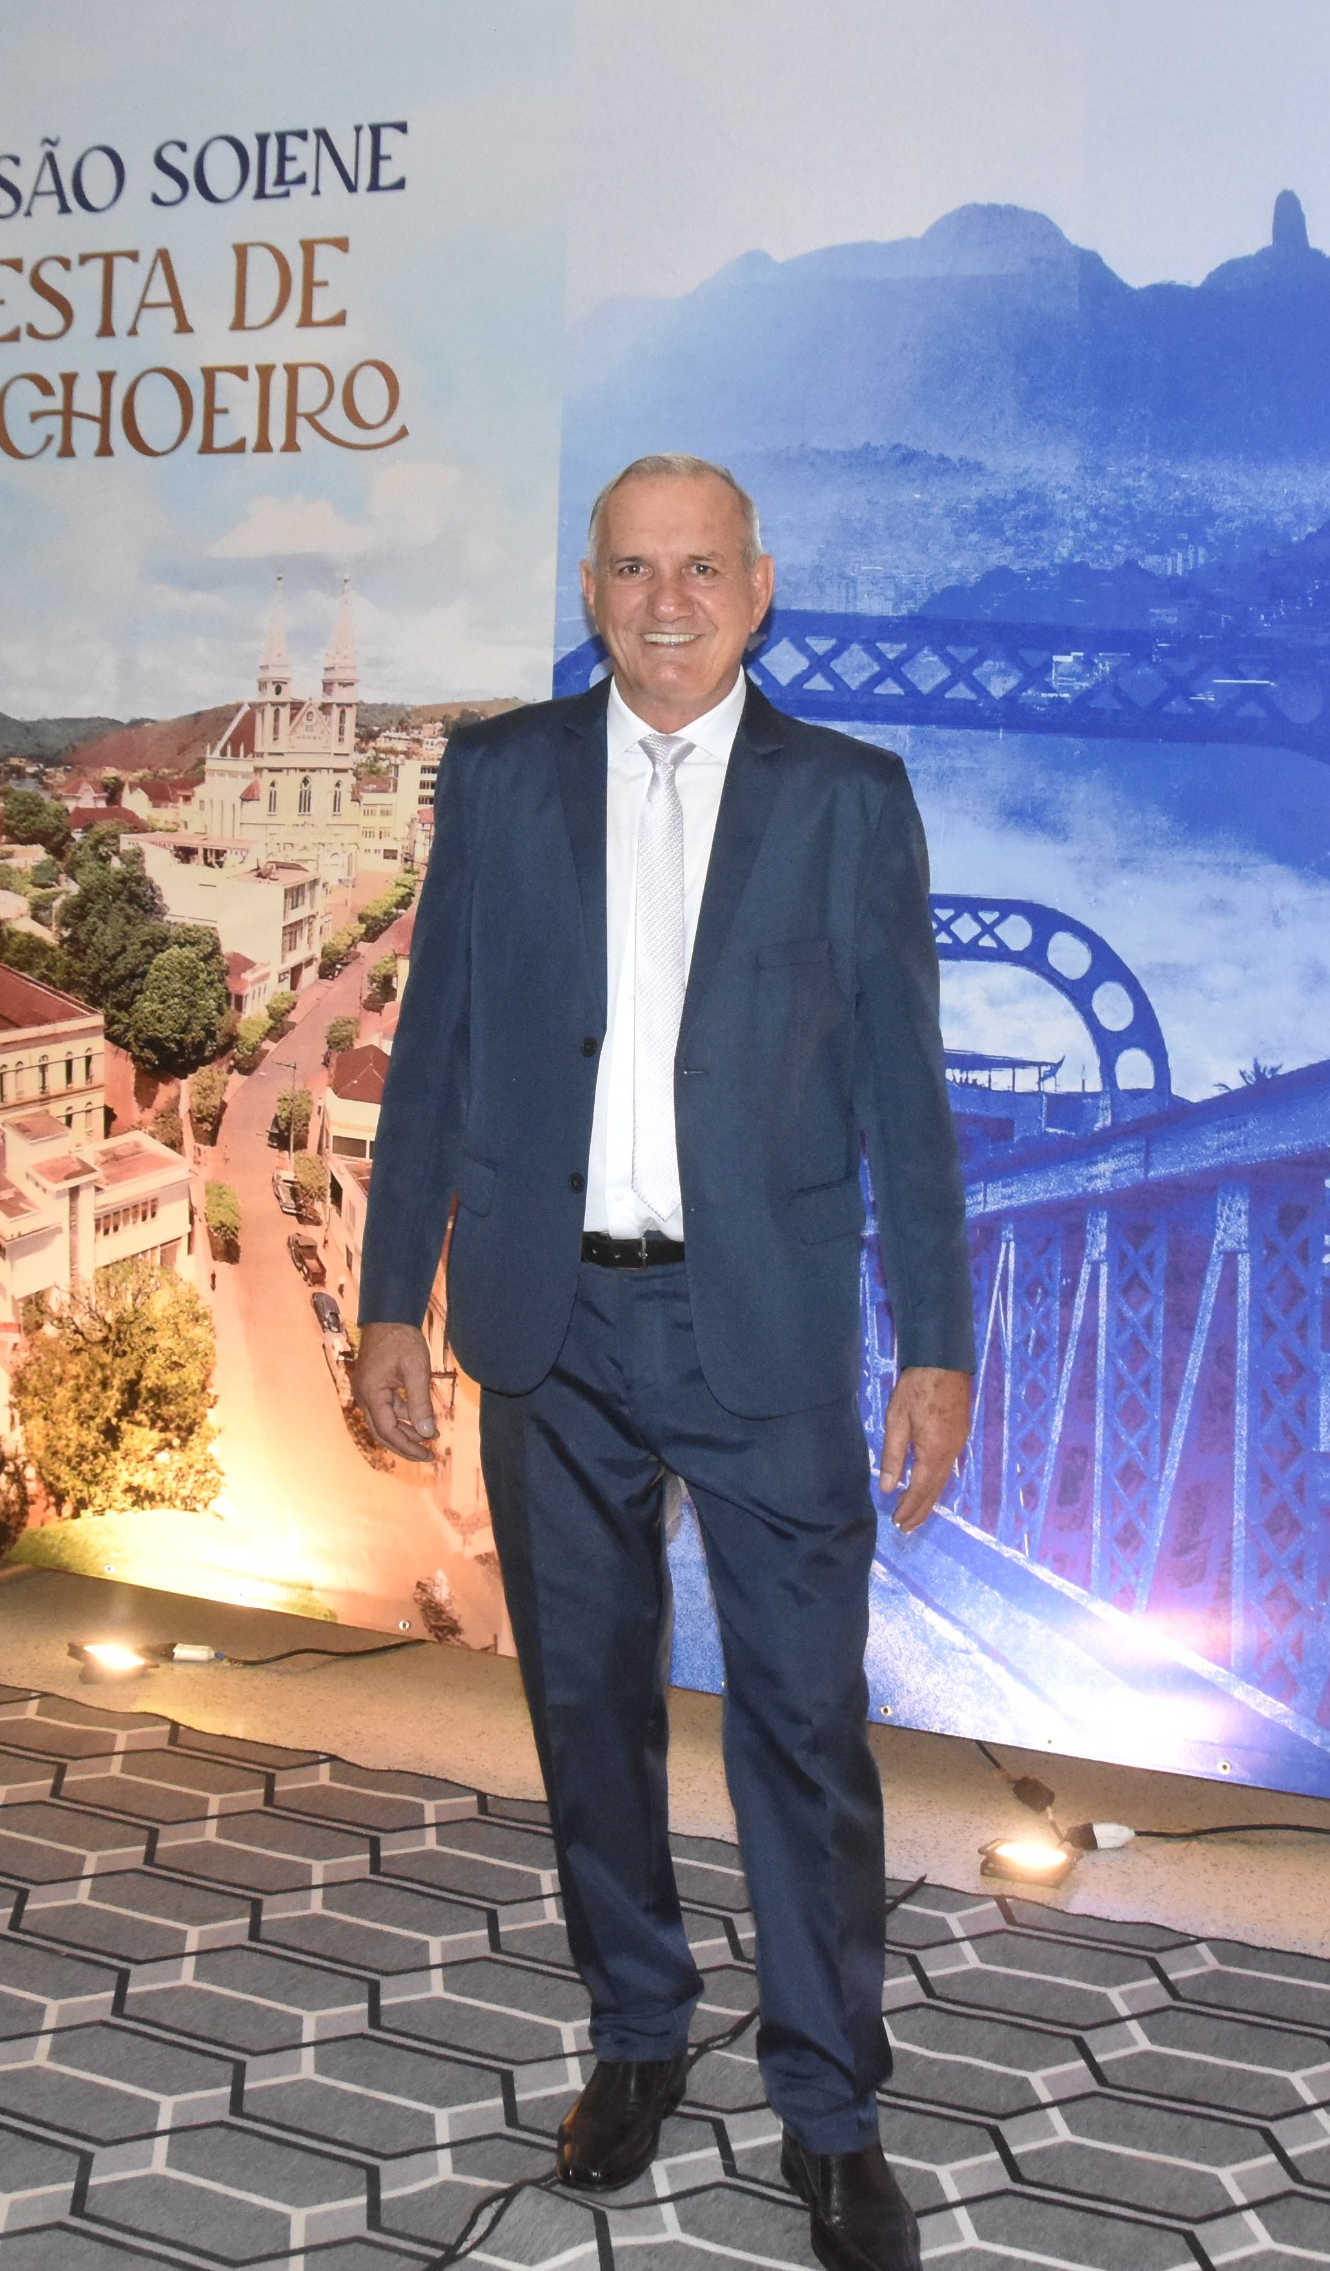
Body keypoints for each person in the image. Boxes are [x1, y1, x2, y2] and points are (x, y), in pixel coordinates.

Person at [351, 453, 973, 2271]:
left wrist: (938, 1341)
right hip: (549, 1324)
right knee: (585, 1711)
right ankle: (636, 2028)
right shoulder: (499, 777)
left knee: (803, 1730)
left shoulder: (849, 799)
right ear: (592, 588)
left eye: (702, 568)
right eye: (634, 569)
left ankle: (831, 2115)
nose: (668, 602)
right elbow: (435, 1048)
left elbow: (907, 1096)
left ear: (760, 587)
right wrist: (390, 1297)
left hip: (759, 1326)